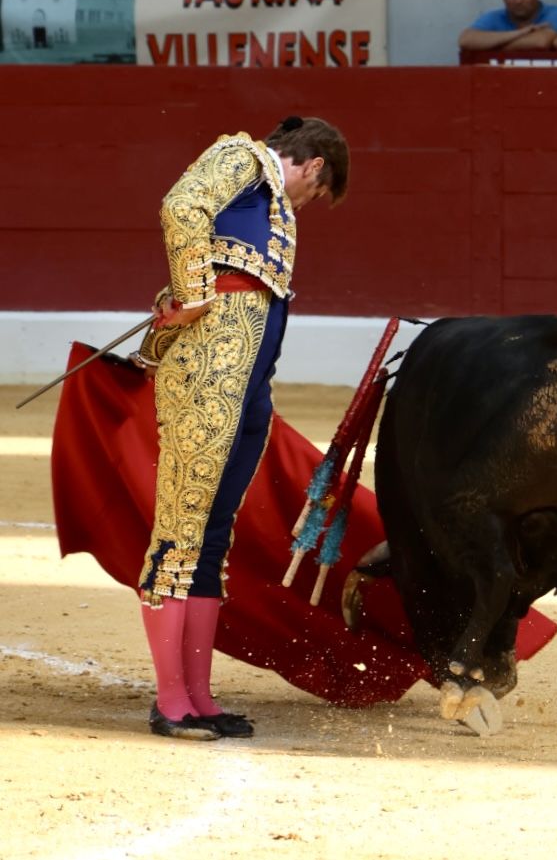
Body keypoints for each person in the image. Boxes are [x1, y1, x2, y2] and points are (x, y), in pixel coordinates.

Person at [132, 117, 350, 740]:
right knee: (182, 525)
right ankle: (170, 700)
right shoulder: (244, 157)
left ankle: (198, 697)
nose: (310, 205)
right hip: (208, 371)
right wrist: (193, 291)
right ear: (313, 167)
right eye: (318, 192)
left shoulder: (269, 203)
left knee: (213, 531)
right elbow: (182, 203)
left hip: (247, 383)